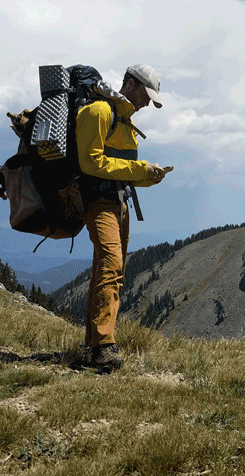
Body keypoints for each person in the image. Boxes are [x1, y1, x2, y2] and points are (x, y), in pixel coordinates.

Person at [73, 64, 172, 373]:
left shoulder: (124, 121)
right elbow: (91, 163)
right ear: (130, 83)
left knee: (111, 270)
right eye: (145, 94)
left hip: (119, 203)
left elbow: (120, 170)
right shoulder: (99, 112)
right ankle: (103, 346)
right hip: (98, 202)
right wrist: (141, 171)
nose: (147, 103)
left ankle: (94, 344)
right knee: (111, 267)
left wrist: (149, 176)